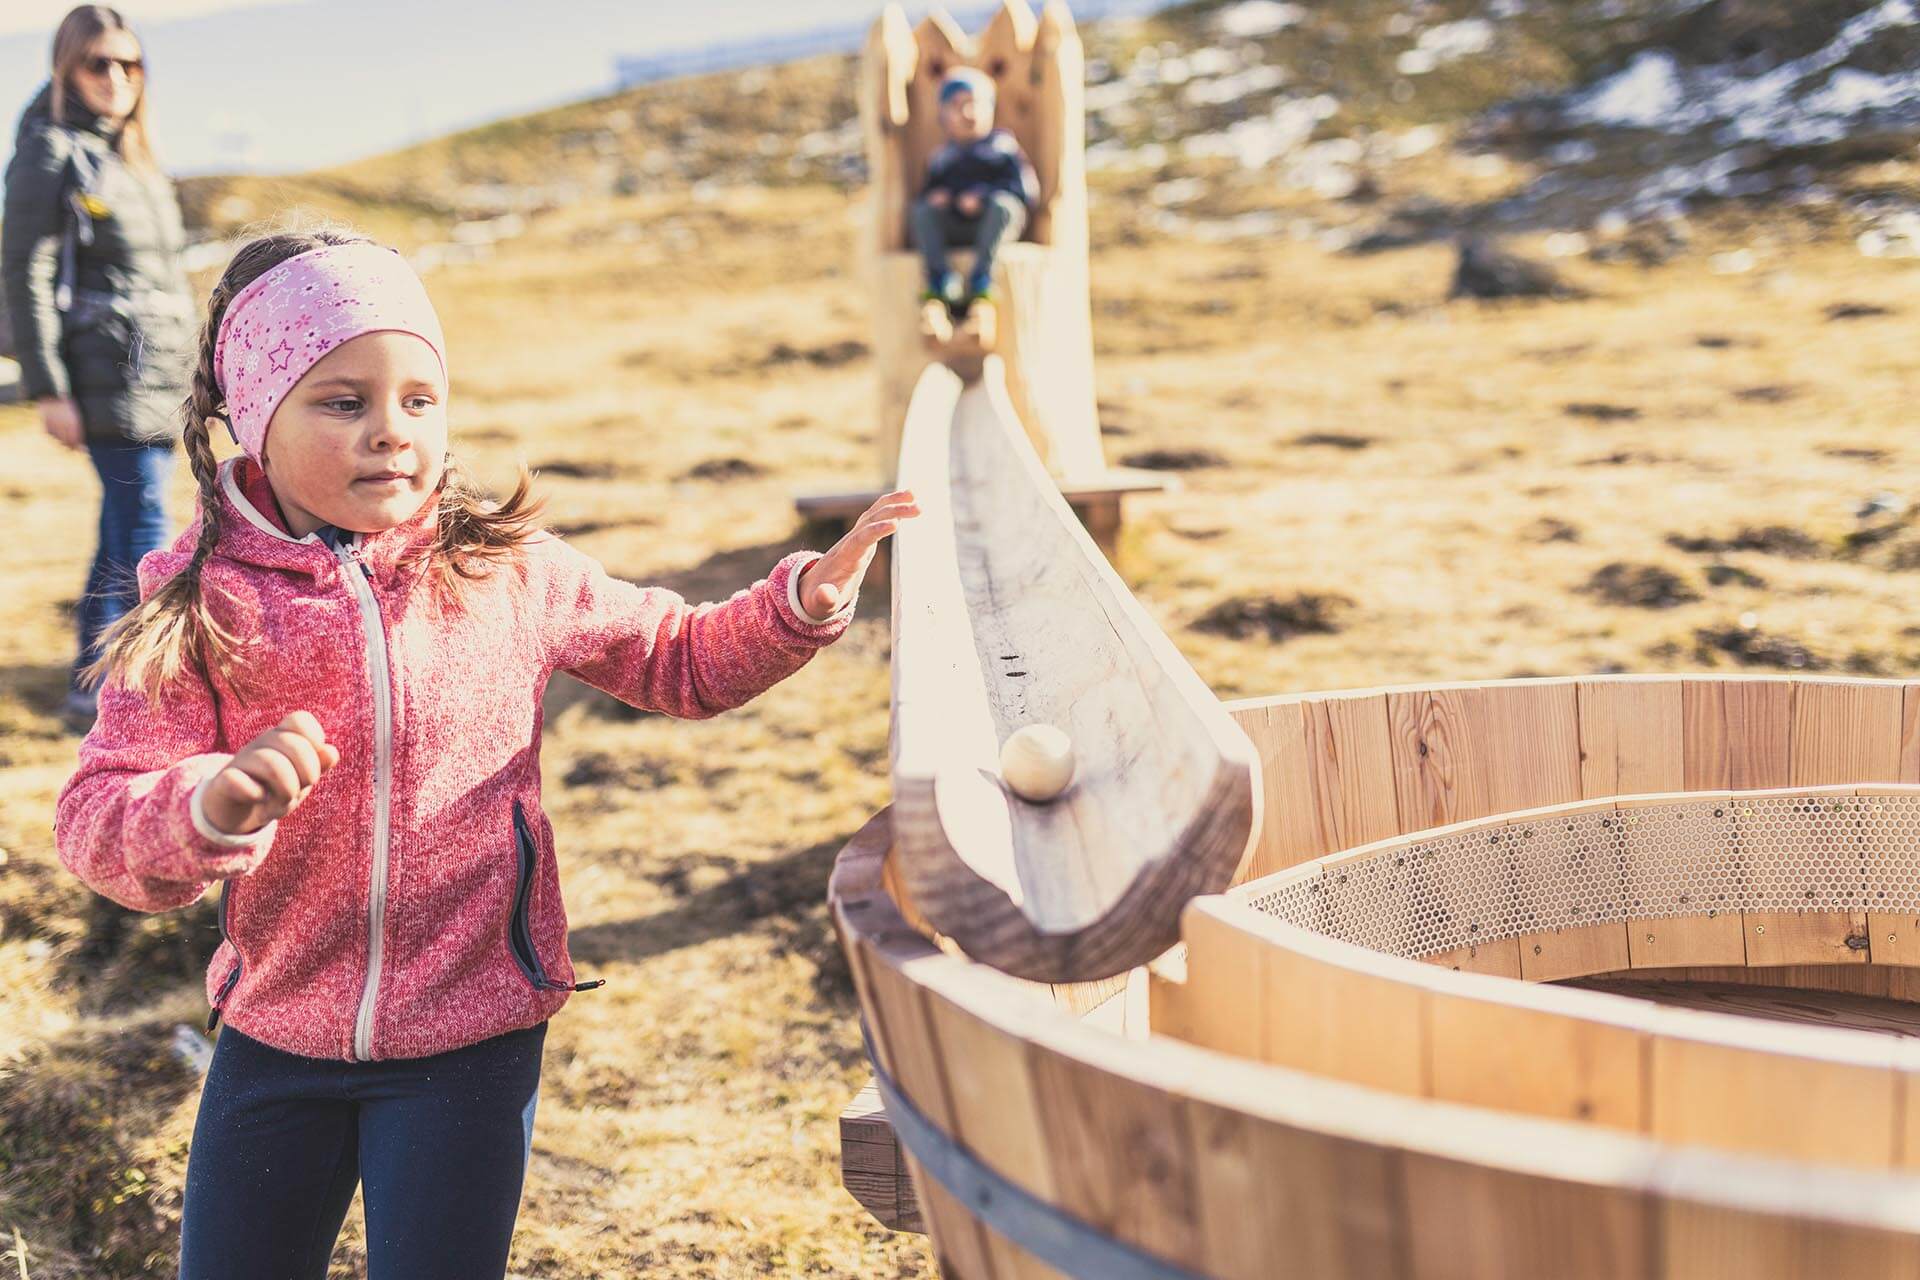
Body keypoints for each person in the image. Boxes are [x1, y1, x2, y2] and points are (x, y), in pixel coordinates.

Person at [52, 228, 918, 1279]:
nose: (391, 431)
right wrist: (206, 807)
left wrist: (800, 603)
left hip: (471, 1039)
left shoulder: (502, 567)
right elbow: (99, 820)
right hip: (274, 1038)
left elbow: (676, 659)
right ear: (253, 413)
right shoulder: (199, 597)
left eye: (419, 399)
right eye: (344, 402)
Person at [2, 5, 194, 730]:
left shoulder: (136, 158)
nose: (116, 77)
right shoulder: (50, 153)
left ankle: (91, 689)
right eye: (98, 63)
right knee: (146, 528)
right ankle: (149, 701)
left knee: (123, 525)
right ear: (67, 69)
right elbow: (23, 273)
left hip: (161, 374)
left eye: (130, 63)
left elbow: (165, 283)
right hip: (103, 373)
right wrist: (48, 388)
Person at [909, 67, 1039, 345]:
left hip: (991, 225)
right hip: (957, 228)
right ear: (944, 114)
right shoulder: (943, 158)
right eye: (957, 106)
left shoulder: (1002, 148)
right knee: (922, 213)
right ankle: (941, 283)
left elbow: (1025, 191)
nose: (968, 113)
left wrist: (983, 197)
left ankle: (982, 283)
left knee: (1004, 207)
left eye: (974, 104)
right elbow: (928, 193)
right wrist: (940, 198)